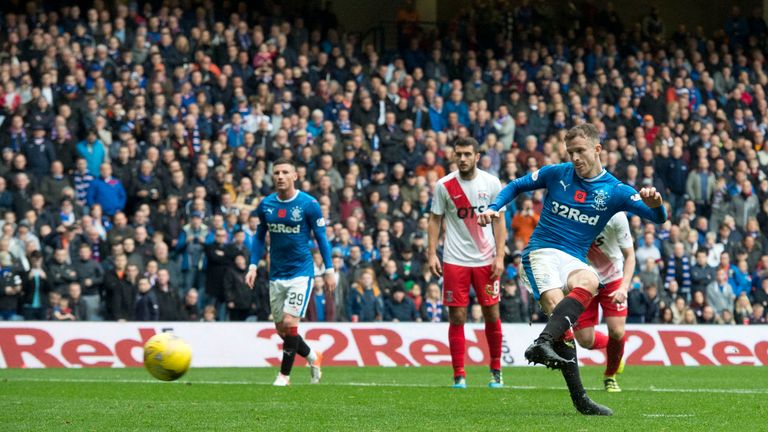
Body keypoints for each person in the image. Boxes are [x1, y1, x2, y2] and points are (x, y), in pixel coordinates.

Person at [478, 123, 667, 415]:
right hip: (540, 252)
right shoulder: (558, 173)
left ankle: (544, 344)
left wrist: (658, 205)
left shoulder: (615, 190)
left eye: (580, 151)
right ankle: (579, 395)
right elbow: (516, 185)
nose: (575, 157)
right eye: (571, 152)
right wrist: (494, 206)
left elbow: (658, 218)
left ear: (597, 149)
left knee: (590, 280)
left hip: (573, 259)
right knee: (558, 311)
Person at [246, 158, 335, 386]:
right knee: (282, 330)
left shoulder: (309, 204)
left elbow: (321, 238)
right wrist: (253, 265)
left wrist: (329, 269)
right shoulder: (266, 205)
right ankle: (313, 356)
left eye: (285, 172)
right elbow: (258, 238)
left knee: (289, 322)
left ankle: (283, 376)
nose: (280, 176)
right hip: (276, 273)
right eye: (276, 172)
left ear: (295, 176)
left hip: (301, 273)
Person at [428, 137, 507, 389]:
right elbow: (434, 220)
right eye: (458, 154)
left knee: (491, 313)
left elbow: (499, 221)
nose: (462, 158)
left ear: (477, 156)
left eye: (466, 154)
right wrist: (432, 253)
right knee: (457, 316)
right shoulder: (444, 185)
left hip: (486, 260)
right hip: (454, 260)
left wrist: (500, 256)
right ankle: (459, 374)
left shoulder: (492, 183)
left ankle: (496, 370)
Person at [572, 212, 635, 392]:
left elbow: (630, 255)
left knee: (616, 331)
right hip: (584, 280)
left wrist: (623, 287)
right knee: (585, 341)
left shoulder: (616, 215)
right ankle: (617, 350)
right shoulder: (573, 210)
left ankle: (610, 375)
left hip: (613, 279)